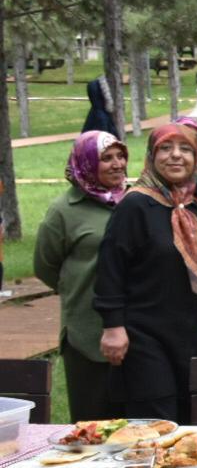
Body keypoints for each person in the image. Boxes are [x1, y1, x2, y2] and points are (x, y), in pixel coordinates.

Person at [94, 124, 197, 421]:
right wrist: (112, 326)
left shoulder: (195, 208)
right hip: (143, 336)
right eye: (166, 149)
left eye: (186, 149)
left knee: (186, 417)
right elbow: (110, 269)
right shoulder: (136, 205)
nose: (176, 156)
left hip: (187, 333)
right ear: (152, 157)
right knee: (156, 421)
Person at [35, 132, 128, 419]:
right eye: (106, 158)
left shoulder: (134, 201)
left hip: (137, 326)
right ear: (85, 163)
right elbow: (45, 266)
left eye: (120, 156)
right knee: (92, 420)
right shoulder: (64, 210)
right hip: (86, 332)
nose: (117, 164)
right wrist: (82, 287)